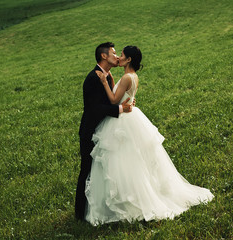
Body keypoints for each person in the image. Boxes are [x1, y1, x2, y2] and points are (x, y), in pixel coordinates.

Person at [84, 46, 214, 226]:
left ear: (128, 59)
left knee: (123, 159)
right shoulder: (132, 77)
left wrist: (106, 84)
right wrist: (113, 82)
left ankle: (128, 198)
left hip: (122, 121)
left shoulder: (127, 77)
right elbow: (120, 96)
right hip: (130, 116)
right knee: (133, 158)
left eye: (121, 55)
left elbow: (114, 100)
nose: (119, 58)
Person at [75, 42, 133, 221]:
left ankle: (102, 207)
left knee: (102, 171)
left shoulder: (107, 76)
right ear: (104, 56)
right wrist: (121, 109)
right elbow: (94, 108)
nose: (117, 57)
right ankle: (80, 213)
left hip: (103, 131)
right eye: (114, 53)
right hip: (90, 131)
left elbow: (111, 100)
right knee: (87, 170)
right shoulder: (93, 78)